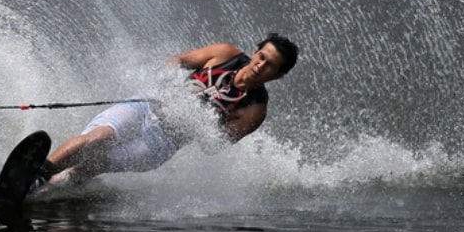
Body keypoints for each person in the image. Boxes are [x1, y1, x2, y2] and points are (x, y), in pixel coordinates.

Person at [40, 33, 299, 186]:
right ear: (255, 51)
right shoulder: (225, 53)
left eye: (270, 65)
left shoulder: (254, 111)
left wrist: (198, 119)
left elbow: (213, 146)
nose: (260, 66)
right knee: (98, 138)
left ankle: (46, 189)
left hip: (162, 142)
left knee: (97, 163)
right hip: (147, 107)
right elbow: (179, 61)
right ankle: (41, 172)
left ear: (279, 75)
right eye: (262, 57)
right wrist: (170, 83)